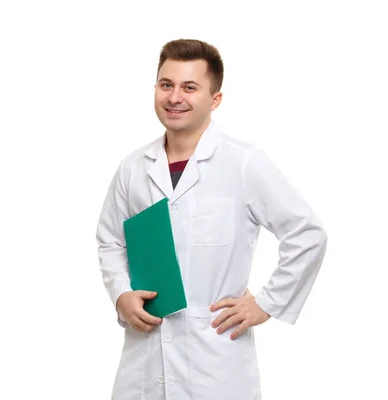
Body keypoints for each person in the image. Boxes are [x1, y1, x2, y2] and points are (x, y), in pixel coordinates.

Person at [96, 39, 328, 400]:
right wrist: (121, 294)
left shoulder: (244, 163)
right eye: (166, 84)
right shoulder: (133, 168)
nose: (175, 97)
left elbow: (307, 234)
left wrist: (266, 303)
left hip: (215, 364)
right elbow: (110, 239)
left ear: (215, 99)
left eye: (190, 87)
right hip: (144, 364)